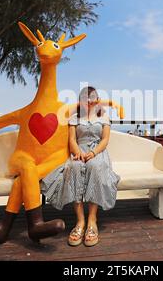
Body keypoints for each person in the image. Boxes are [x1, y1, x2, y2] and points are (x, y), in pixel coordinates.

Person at [41, 86, 120, 247]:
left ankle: (92, 220)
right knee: (74, 168)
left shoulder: (103, 116)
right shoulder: (75, 117)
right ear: (81, 100)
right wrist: (77, 152)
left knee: (95, 168)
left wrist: (93, 152)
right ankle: (80, 221)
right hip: (79, 151)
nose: (90, 101)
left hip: (97, 152)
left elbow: (105, 140)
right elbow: (72, 140)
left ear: (97, 100)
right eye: (86, 97)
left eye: (93, 97)